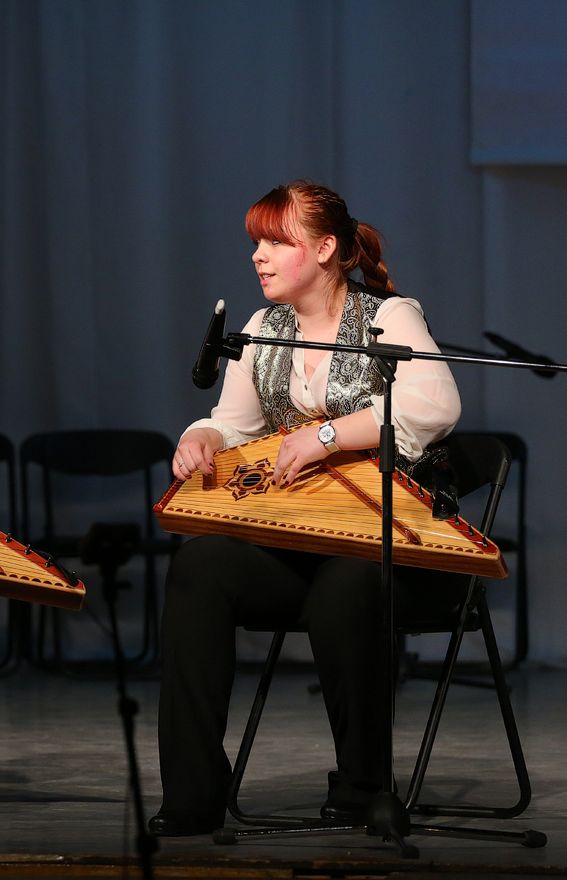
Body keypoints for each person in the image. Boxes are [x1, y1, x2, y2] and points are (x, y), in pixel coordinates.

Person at [149, 181, 464, 837]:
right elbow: (232, 424)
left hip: (397, 550)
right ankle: (192, 794)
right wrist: (201, 438)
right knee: (200, 567)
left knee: (346, 586)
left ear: (324, 249)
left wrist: (327, 435)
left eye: (276, 241)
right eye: (257, 243)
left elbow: (434, 406)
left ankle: (363, 786)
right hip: (302, 542)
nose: (258, 256)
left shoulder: (386, 317)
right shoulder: (263, 330)